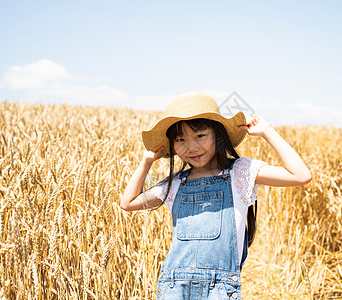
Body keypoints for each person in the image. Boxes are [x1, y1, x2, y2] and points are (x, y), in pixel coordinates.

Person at [121, 92, 312, 299]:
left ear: (218, 135)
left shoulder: (240, 172)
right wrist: (146, 162)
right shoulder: (175, 183)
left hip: (219, 289)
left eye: (200, 136)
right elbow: (128, 203)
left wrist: (266, 132)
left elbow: (300, 175)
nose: (191, 147)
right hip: (174, 286)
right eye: (180, 139)